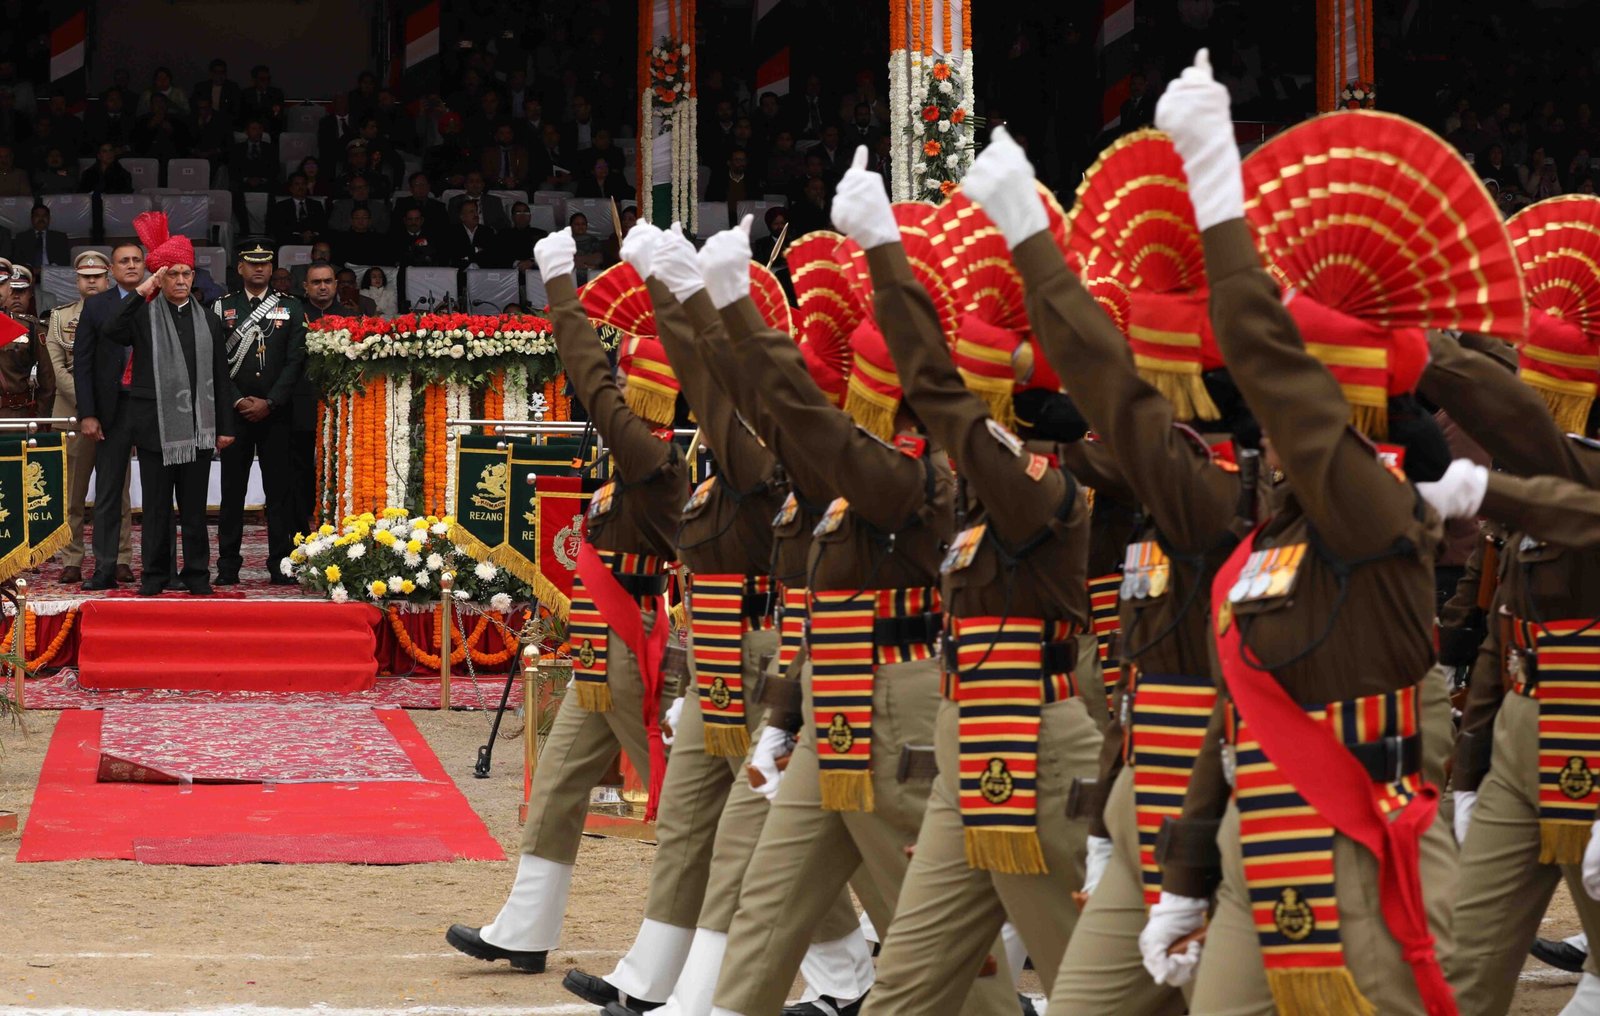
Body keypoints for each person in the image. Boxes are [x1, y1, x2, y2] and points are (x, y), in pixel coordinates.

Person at [1137, 52, 1465, 1014]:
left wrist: (1213, 182)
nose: (1268, 431)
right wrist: (1189, 874)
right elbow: (1234, 716)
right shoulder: (1271, 531)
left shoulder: (1369, 498)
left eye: (1295, 399)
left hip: (1360, 851)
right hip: (1259, 846)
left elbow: (1270, 363)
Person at [694, 213, 1019, 1016]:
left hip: (898, 709)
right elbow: (774, 416)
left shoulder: (914, 478)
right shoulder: (857, 471)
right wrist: (704, 312)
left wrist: (734, 309)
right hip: (833, 701)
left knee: (930, 927)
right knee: (767, 902)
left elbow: (802, 423)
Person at [823, 148, 1105, 1012]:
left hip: (1038, 757)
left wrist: (882, 253)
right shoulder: (992, 500)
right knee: (906, 985)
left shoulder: (1036, 489)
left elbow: (943, 396)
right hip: (968, 747)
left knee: (1091, 989)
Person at [445, 225, 687, 978]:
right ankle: (524, 926)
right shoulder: (635, 459)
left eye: (629, 389)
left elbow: (590, 380)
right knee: (556, 790)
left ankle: (734, 946)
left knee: (686, 804)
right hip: (597, 642)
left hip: (629, 642)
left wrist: (560, 288)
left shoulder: (652, 461)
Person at [105, 213, 236, 597]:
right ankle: (155, 577)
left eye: (186, 274)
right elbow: (112, 330)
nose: (181, 281)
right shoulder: (143, 315)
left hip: (197, 429)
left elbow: (220, 375)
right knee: (158, 510)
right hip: (154, 428)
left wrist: (225, 426)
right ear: (160, 277)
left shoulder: (209, 321)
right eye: (172, 274)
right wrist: (141, 290)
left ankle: (197, 576)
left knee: (194, 511)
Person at [212, 240, 306, 586]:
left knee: (278, 492)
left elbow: (296, 360)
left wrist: (271, 402)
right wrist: (237, 400)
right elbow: (216, 362)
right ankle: (227, 566)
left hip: (276, 413)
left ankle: (280, 564)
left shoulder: (292, 307)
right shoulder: (223, 307)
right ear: (240, 268)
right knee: (232, 492)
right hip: (235, 413)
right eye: (252, 263)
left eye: (265, 263)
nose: (259, 268)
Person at [44, 253, 128, 585]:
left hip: (114, 416)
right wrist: (92, 404)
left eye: (97, 276)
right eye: (84, 276)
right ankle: (72, 558)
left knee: (117, 492)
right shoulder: (59, 318)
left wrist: (105, 407)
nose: (91, 281)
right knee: (72, 494)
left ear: (108, 278)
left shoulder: (123, 310)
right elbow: (57, 370)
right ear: (76, 281)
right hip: (72, 415)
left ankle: (121, 557)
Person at [75, 243, 146, 589]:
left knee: (161, 491)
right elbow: (83, 364)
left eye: (136, 260)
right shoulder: (96, 305)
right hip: (111, 408)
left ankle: (158, 568)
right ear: (112, 270)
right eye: (124, 261)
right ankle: (104, 568)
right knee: (106, 492)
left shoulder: (157, 299)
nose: (131, 266)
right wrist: (88, 414)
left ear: (145, 266)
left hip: (150, 406)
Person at [267, 173, 329, 246]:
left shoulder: (316, 205)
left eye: (303, 184)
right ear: (290, 188)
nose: (301, 187)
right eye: (297, 184)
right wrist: (300, 236)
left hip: (314, 241)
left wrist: (311, 234)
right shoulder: (281, 206)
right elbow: (278, 229)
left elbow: (322, 226)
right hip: (289, 242)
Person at [491, 202, 547, 270]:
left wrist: (532, 262)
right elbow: (498, 255)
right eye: (518, 213)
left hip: (535, 273)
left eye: (526, 212)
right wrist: (517, 264)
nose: (522, 215)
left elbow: (547, 255)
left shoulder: (541, 234)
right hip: (510, 274)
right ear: (512, 217)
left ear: (530, 216)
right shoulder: (503, 234)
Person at [392, 172, 450, 236]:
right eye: (417, 184)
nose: (421, 188)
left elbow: (444, 229)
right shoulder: (402, 204)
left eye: (423, 184)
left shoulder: (439, 207)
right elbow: (396, 226)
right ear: (411, 189)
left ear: (429, 187)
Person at [14, 203, 68, 269]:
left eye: (44, 216)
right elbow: (17, 259)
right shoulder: (21, 237)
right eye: (37, 215)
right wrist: (30, 269)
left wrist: (49, 270)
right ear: (32, 218)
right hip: (29, 273)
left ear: (49, 218)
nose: (41, 219)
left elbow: (64, 259)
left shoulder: (60, 237)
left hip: (53, 273)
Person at [445, 200, 496, 269]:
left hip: (482, 271)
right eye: (471, 212)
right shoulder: (452, 232)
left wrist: (467, 254)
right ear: (462, 217)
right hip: (459, 272)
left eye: (476, 211)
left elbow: (489, 254)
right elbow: (455, 253)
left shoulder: (487, 232)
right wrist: (476, 249)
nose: (476, 214)